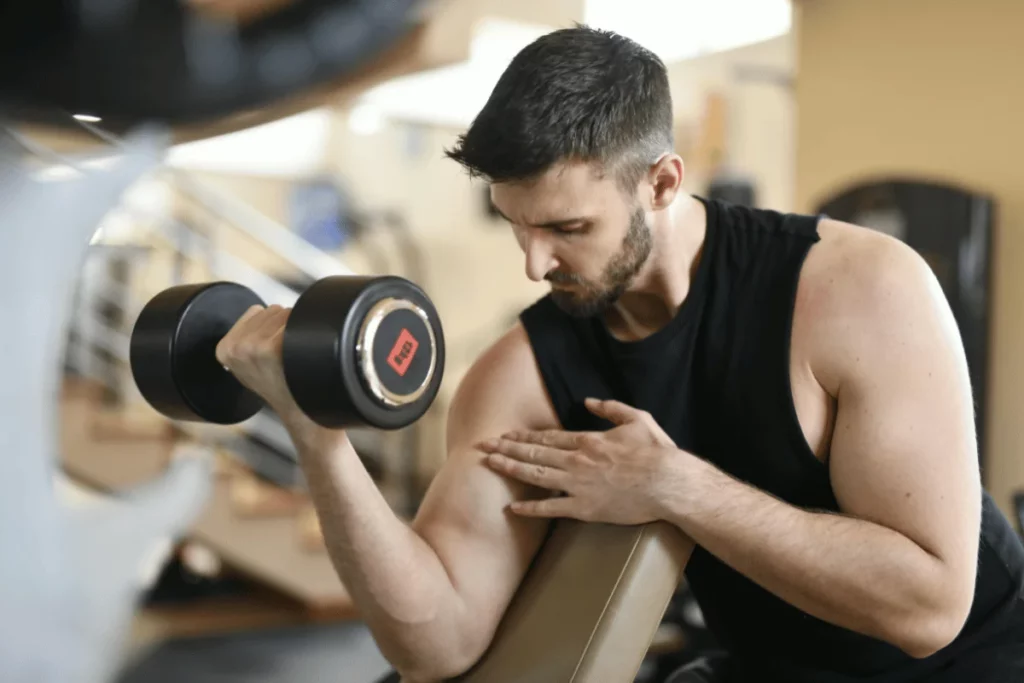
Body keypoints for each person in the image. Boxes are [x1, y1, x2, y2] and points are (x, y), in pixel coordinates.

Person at [215, 26, 1024, 683]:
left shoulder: (857, 291)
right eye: (515, 225)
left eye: (567, 229)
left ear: (663, 182)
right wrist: (315, 433)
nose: (532, 265)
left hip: (980, 657)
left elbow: (929, 610)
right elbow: (437, 639)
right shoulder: (524, 370)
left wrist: (672, 486)